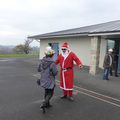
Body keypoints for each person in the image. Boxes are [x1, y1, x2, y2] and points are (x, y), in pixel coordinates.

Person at [38, 46, 58, 113]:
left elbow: (39, 69)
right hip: (50, 80)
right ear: (51, 55)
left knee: (46, 92)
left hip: (43, 79)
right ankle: (44, 103)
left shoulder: (42, 61)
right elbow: (55, 72)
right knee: (50, 93)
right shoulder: (52, 63)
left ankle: (47, 104)